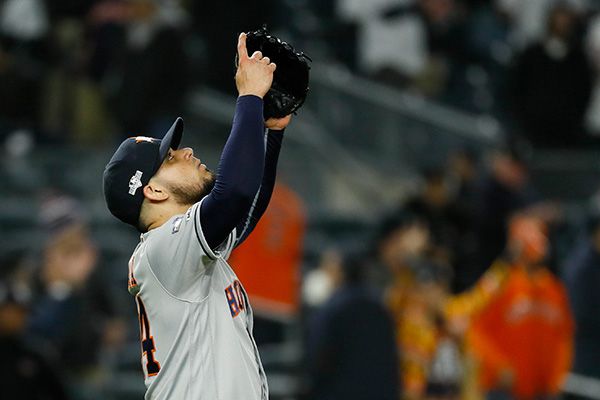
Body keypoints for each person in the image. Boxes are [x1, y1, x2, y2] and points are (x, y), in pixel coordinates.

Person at [102, 33, 289, 400]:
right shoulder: (162, 248)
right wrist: (248, 98)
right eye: (169, 158)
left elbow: (243, 211)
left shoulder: (182, 250)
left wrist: (269, 132)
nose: (185, 151)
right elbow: (233, 194)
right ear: (153, 191)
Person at [467, 215, 573, 400]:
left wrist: (557, 376)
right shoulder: (499, 284)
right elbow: (475, 330)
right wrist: (499, 366)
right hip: (504, 389)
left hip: (543, 388)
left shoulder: (553, 288)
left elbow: (564, 337)